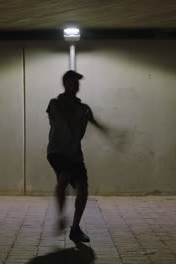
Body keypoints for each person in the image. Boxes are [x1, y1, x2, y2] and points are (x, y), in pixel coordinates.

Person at [46, 70, 107, 243]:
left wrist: (111, 133)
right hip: (57, 151)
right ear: (65, 83)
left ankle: (75, 229)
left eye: (78, 82)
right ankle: (60, 217)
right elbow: (61, 117)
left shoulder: (83, 108)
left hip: (74, 154)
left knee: (83, 188)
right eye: (74, 81)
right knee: (63, 177)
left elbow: (95, 122)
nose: (77, 85)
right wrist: (79, 113)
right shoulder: (55, 103)